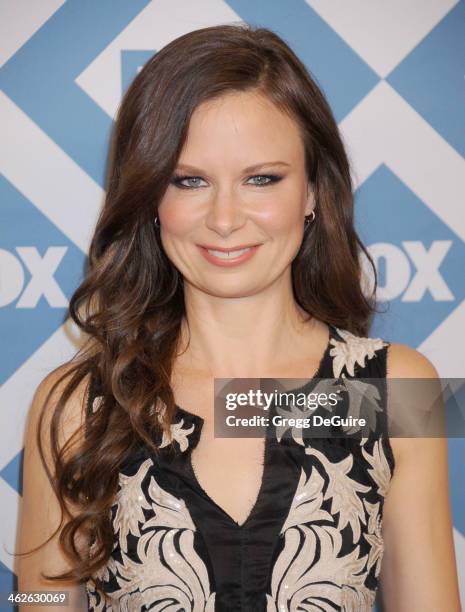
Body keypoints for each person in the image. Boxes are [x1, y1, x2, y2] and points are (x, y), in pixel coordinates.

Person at [16, 23, 461, 612]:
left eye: (262, 179)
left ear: (313, 193)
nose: (225, 218)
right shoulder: (77, 404)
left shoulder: (395, 389)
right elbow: (39, 599)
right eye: (190, 180)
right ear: (150, 197)